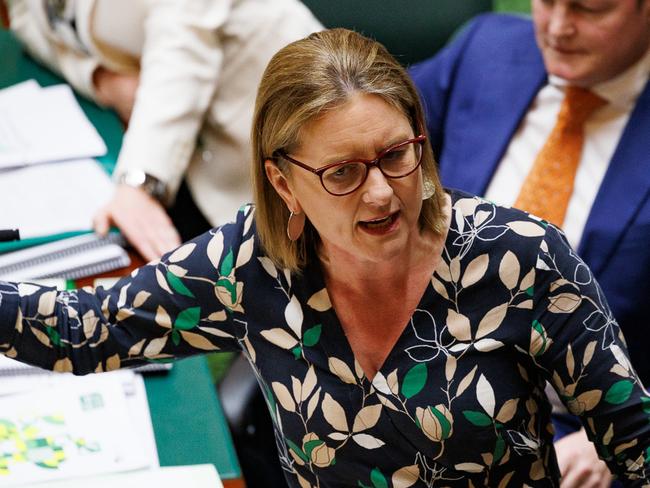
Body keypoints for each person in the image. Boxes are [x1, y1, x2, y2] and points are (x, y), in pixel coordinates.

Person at [1, 28, 649, 487]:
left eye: (397, 154)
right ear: (284, 182)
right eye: (342, 171)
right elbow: (86, 331)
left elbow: (637, 444)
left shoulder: (519, 258)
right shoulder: (249, 265)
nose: (381, 191)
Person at [409, 1, 650, 485]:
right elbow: (363, 129)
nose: (559, 27)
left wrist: (613, 431)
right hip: (417, 384)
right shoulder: (485, 49)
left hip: (578, 434)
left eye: (590, 8)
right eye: (548, 1)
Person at [6, 0, 322, 261]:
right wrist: (101, 80)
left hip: (276, 127)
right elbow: (28, 18)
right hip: (177, 147)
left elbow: (182, 45)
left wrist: (140, 183)